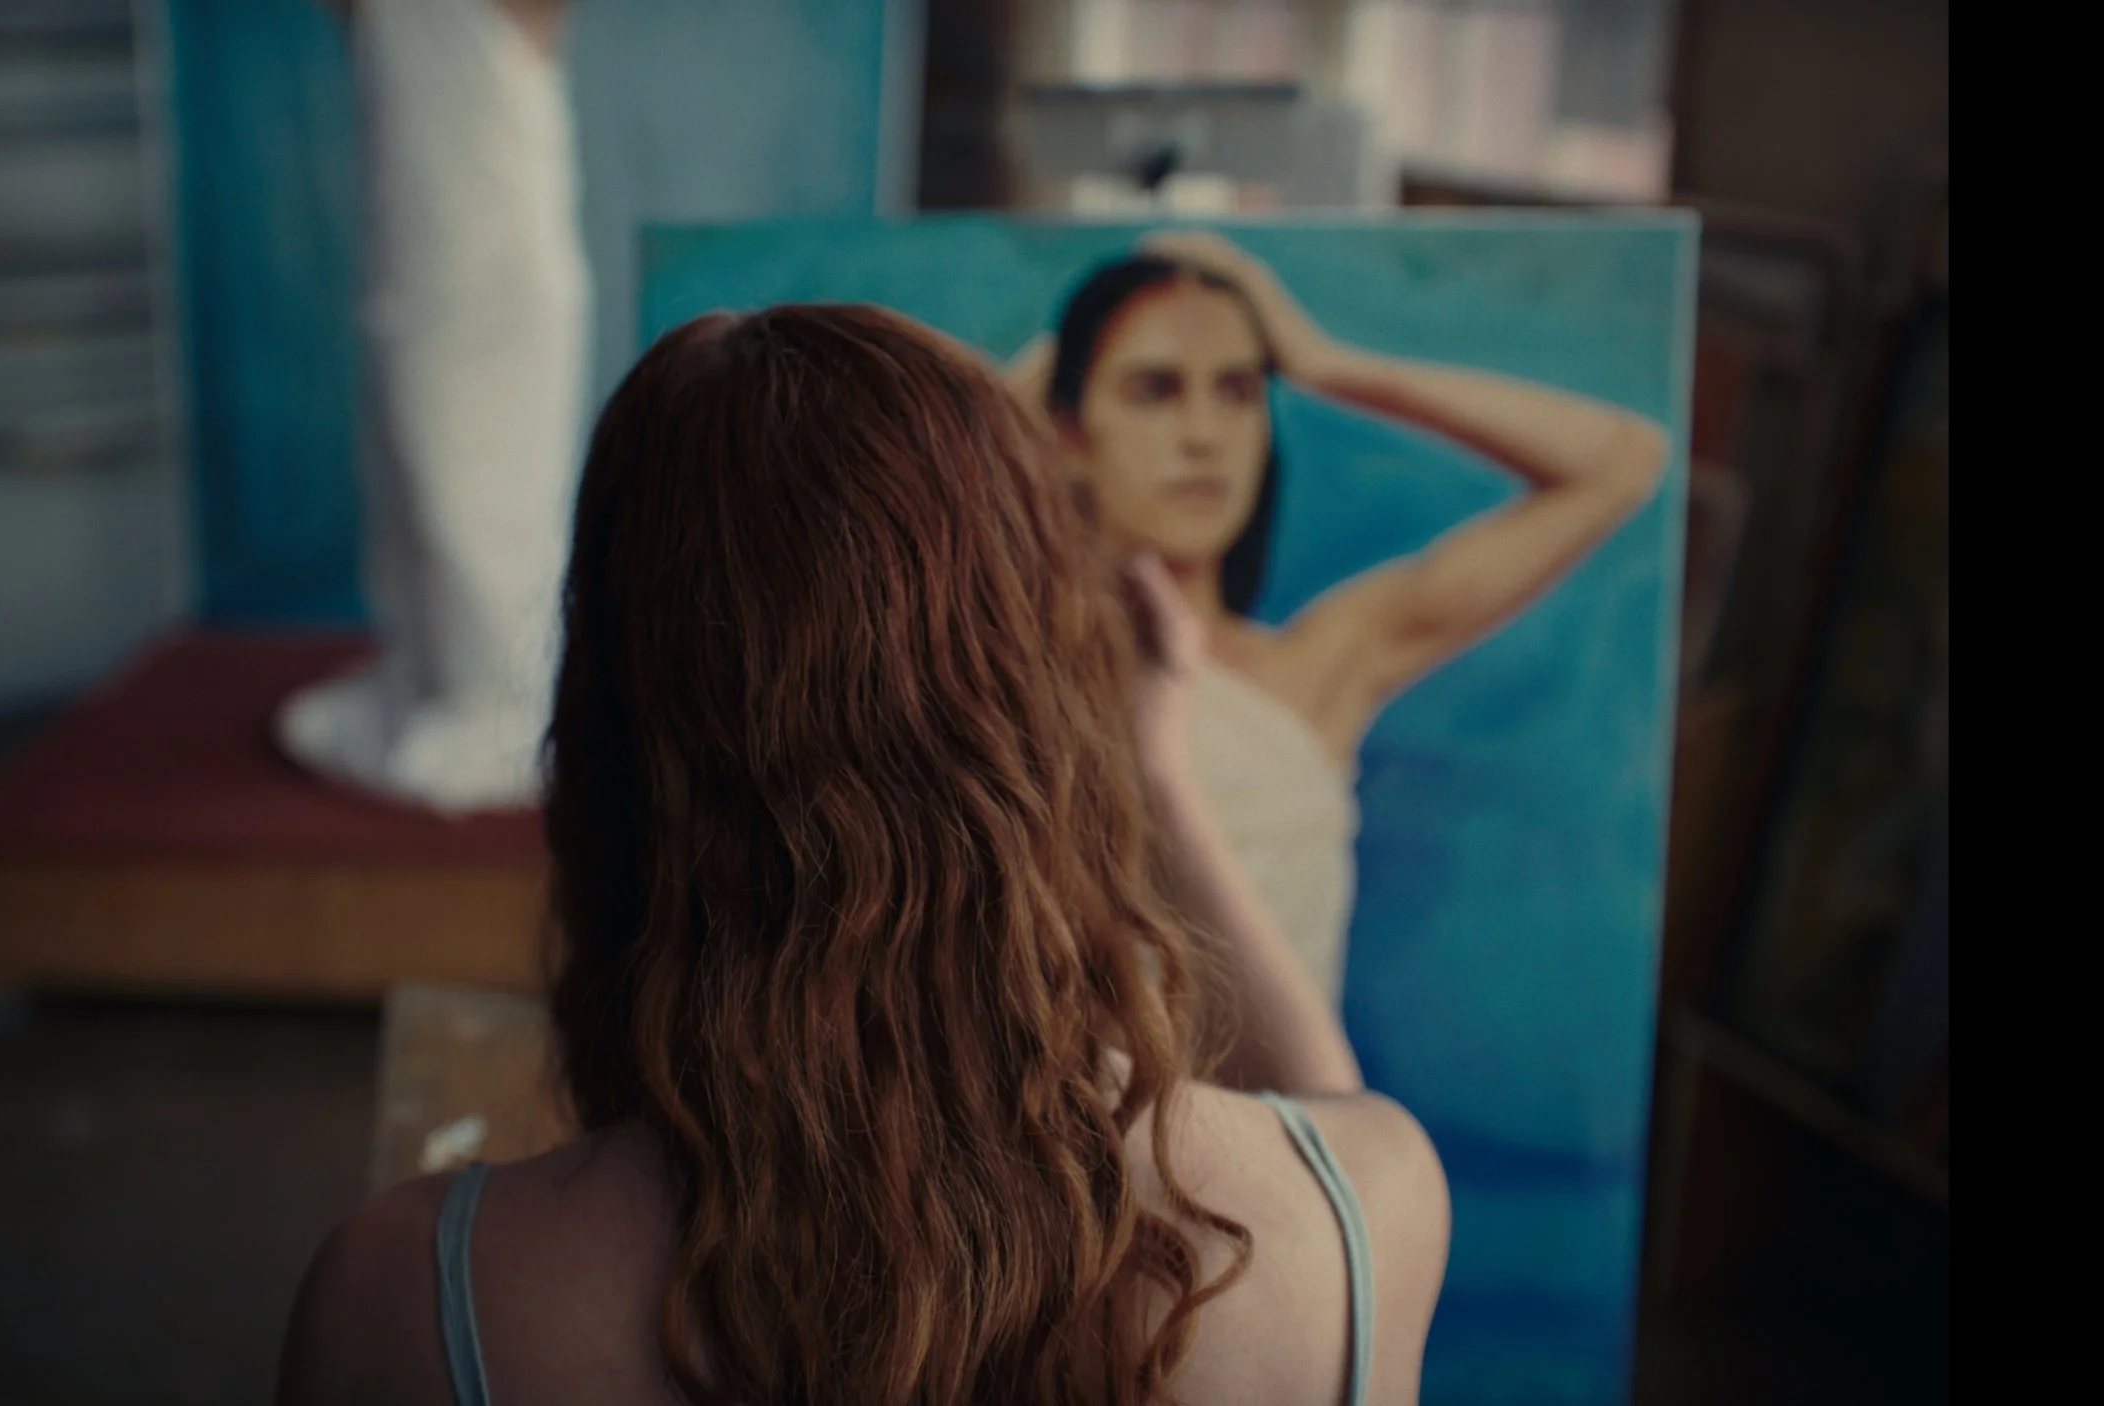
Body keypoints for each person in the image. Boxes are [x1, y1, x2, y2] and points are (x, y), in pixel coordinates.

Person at [276, 304, 1450, 1405]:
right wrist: (1154, 771)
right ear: (1044, 702)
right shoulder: (1359, 1219)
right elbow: (1325, 1130)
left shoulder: (409, 1296)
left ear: (607, 743)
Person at [1003, 229, 1670, 1003]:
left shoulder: (1319, 665)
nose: (1203, 436)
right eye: (1155, 390)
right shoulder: (1011, 657)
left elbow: (1623, 462)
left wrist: (1326, 365)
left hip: (1284, 1084)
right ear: (1070, 431)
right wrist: (1057, 355)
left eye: (1237, 391)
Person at [278, 0, 590, 815]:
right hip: (414, 276)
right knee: (407, 490)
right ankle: (425, 681)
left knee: (480, 503)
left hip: (496, 281)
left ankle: (506, 728)